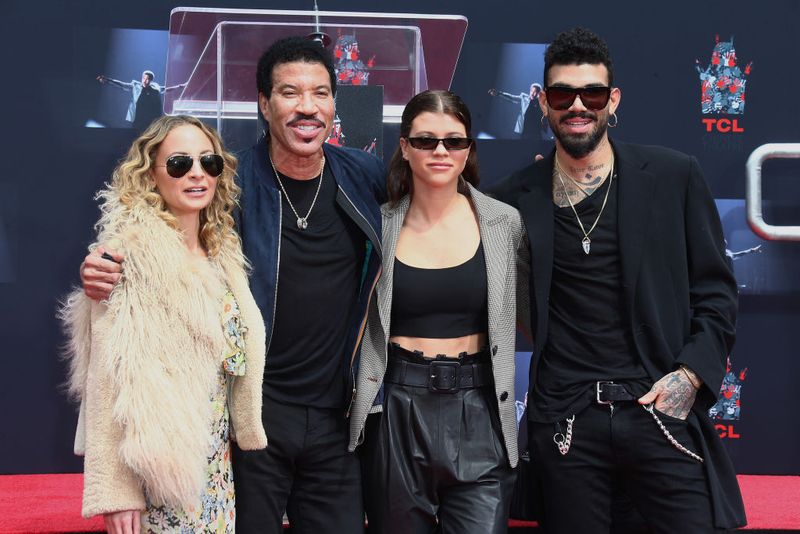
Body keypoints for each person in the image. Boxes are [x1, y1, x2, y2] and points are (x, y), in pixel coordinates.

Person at [81, 37, 385, 534]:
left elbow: (435, 207)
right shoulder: (229, 181)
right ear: (264, 104)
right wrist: (105, 262)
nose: (307, 107)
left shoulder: (365, 175)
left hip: (336, 420)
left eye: (320, 93)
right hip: (250, 421)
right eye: (290, 93)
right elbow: (159, 233)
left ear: (334, 103)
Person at [490, 27, 746, 532]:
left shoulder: (674, 176)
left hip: (659, 410)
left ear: (614, 99)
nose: (578, 105)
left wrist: (690, 376)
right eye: (563, 93)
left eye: (593, 93)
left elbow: (716, 291)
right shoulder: (512, 200)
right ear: (542, 102)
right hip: (566, 423)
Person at [61, 114, 267, 533]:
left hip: (213, 470)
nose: (197, 173)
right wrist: (117, 491)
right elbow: (107, 383)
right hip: (158, 473)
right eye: (179, 164)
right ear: (150, 174)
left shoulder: (222, 252)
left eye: (208, 163)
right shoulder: (127, 257)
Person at [348, 90, 530, 533]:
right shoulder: (376, 223)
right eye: (426, 140)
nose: (441, 151)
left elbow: (532, 314)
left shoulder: (505, 223)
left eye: (454, 141)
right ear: (405, 148)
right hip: (396, 408)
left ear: (469, 150)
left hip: (480, 408)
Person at [97, 70, 184, 131]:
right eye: (144, 78)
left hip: (149, 118)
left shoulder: (155, 89)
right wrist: (108, 80)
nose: (145, 81)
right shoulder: (136, 86)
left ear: (151, 80)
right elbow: (122, 85)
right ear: (142, 78)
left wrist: (179, 87)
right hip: (137, 118)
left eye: (148, 79)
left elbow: (166, 89)